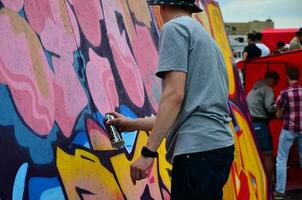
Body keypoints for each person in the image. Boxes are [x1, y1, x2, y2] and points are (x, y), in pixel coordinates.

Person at [107, 0, 234, 199]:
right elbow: (190, 113)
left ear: (162, 8)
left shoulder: (175, 28)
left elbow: (174, 96)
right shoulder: (205, 38)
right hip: (218, 146)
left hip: (197, 151)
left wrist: (148, 153)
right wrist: (133, 124)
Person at [246, 71, 280, 186]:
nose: (273, 87)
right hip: (260, 124)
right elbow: (270, 107)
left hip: (250, 125)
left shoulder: (253, 90)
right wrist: (280, 108)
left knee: (256, 154)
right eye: (274, 84)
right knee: (268, 154)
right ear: (272, 80)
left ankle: (257, 183)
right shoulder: (267, 89)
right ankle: (268, 184)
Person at [274, 67, 302, 200]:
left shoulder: (285, 92)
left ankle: (280, 190)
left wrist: (280, 113)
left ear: (287, 77)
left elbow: (278, 113)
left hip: (289, 128)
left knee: (282, 158)